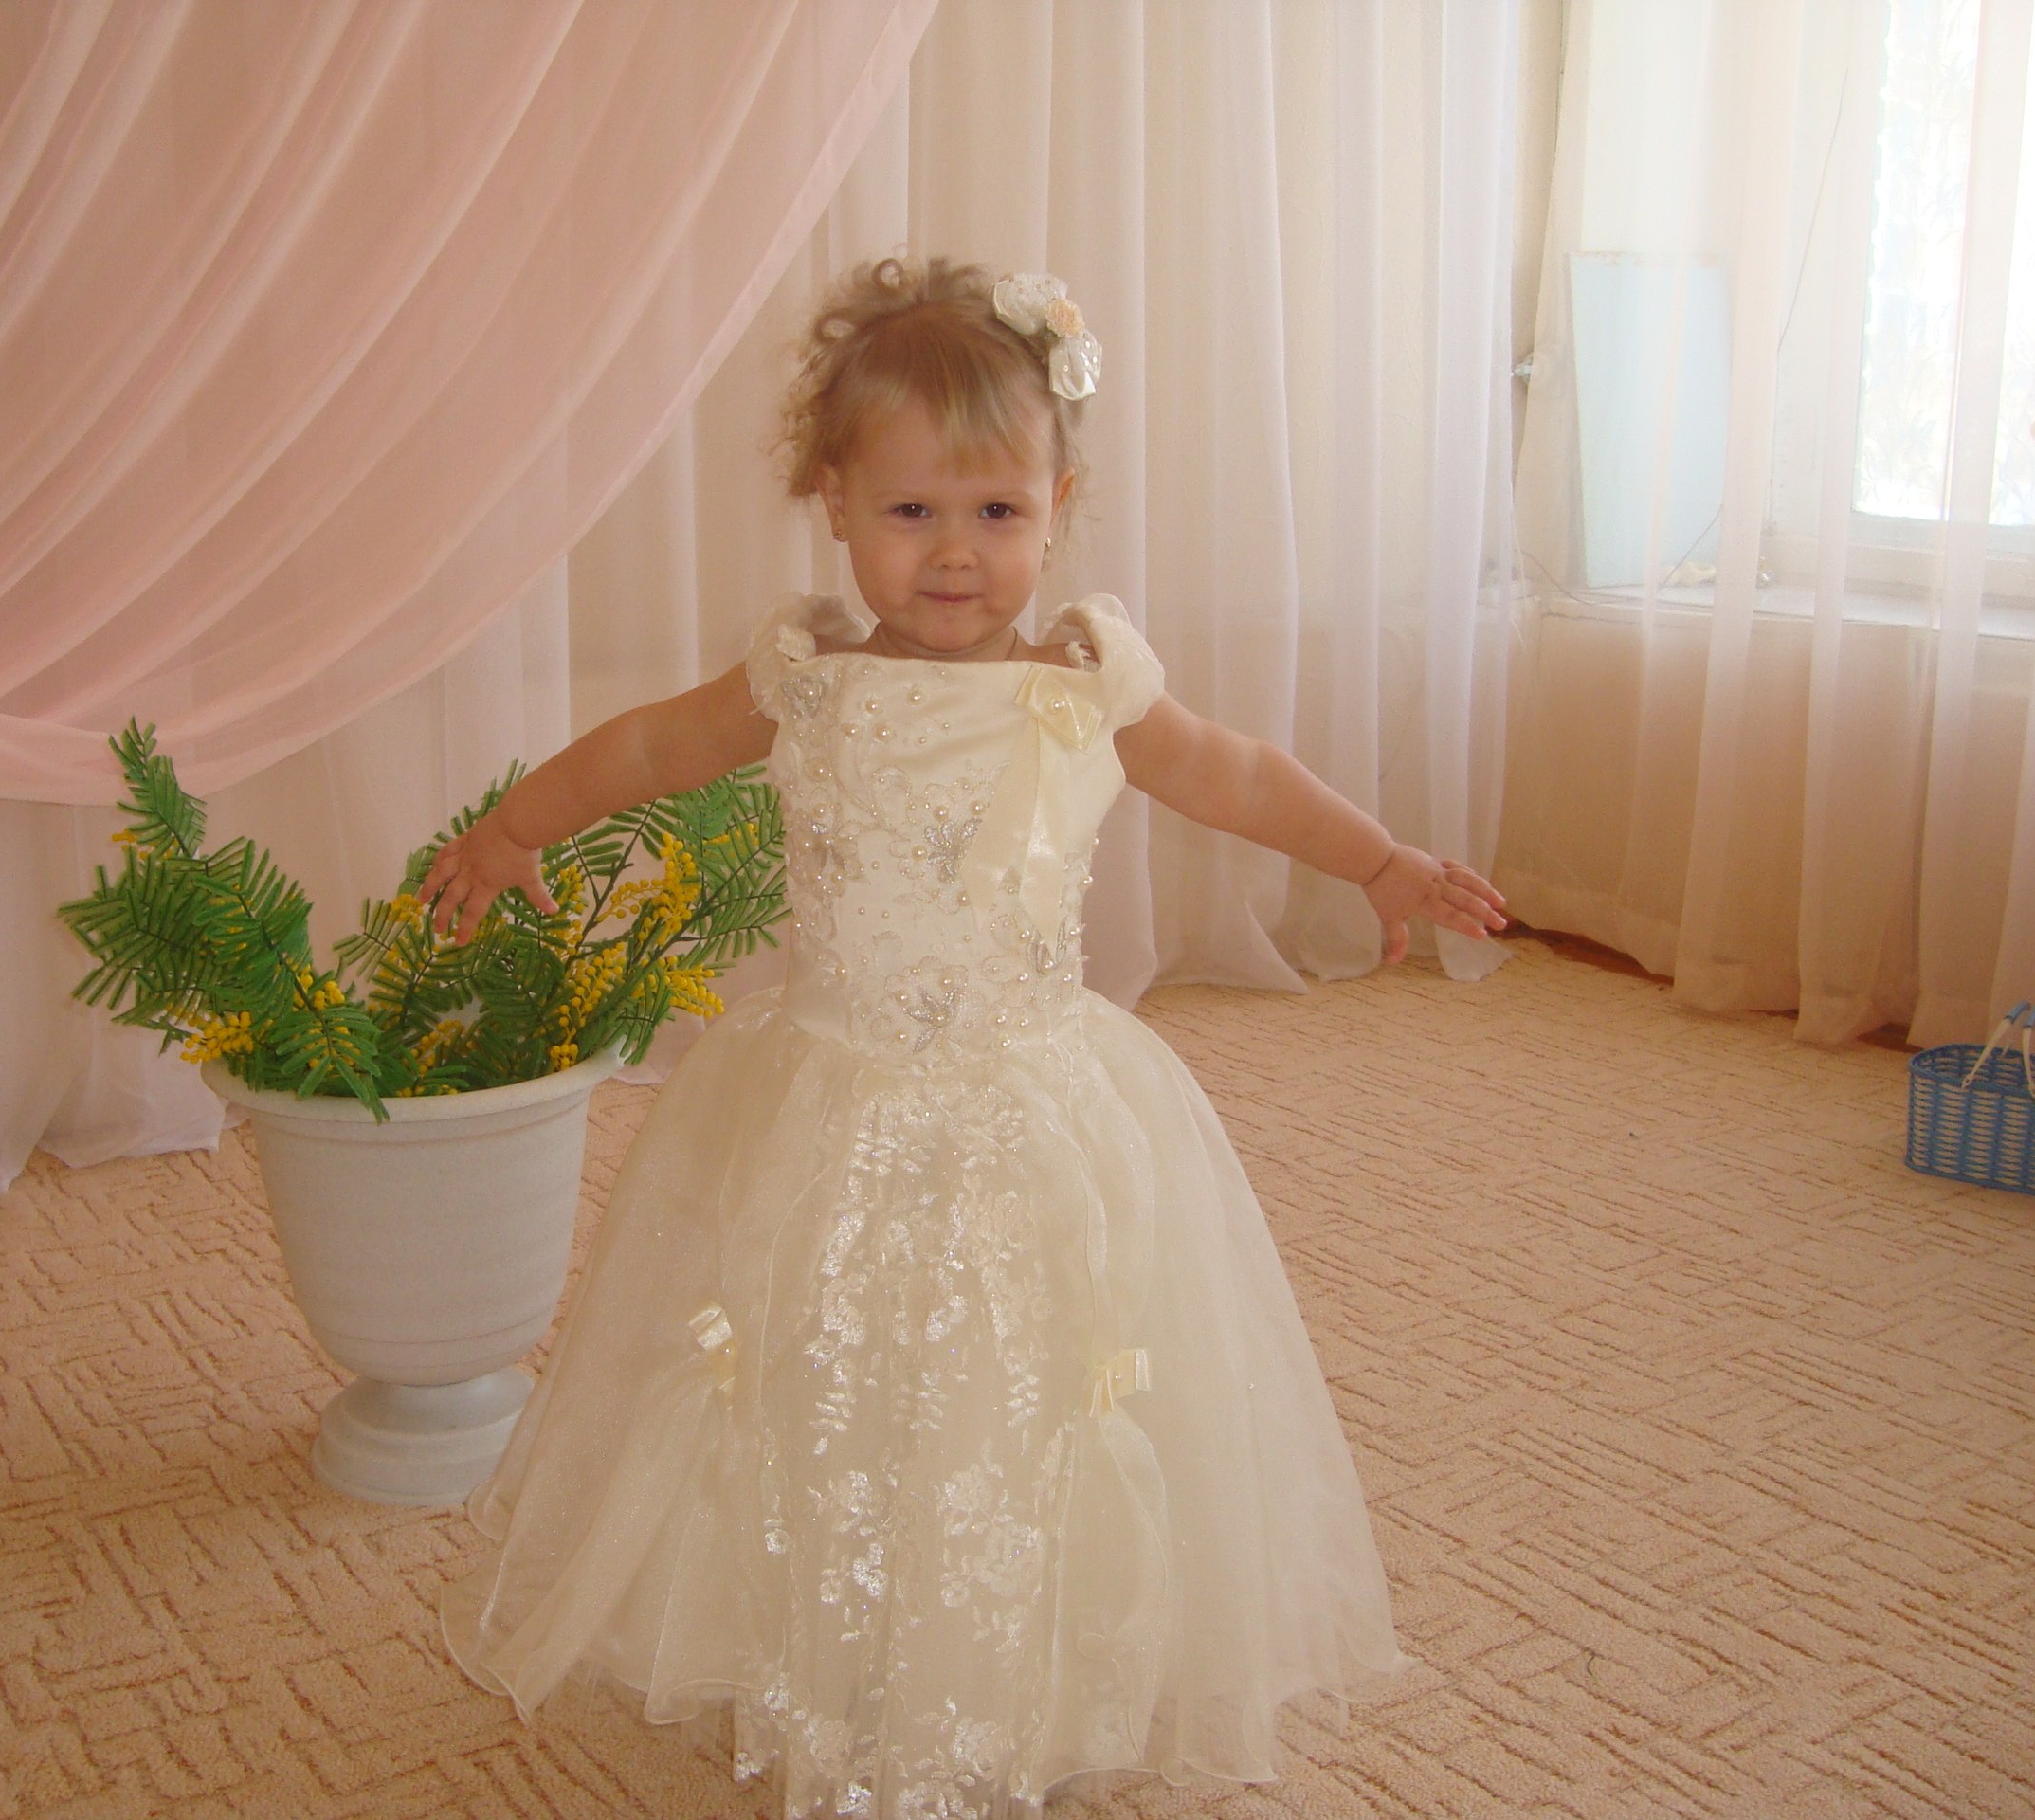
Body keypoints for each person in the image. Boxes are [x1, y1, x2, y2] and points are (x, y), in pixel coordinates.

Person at [419, 256, 1505, 1817]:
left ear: (1059, 506)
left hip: (1030, 1094)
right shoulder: (804, 680)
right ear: (835, 504)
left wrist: (1380, 860)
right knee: (822, 1356)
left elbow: (1239, 774)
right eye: (910, 510)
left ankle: (1024, 1652)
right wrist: (519, 823)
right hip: (831, 1096)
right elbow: (651, 745)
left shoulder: (1090, 685)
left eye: (997, 511)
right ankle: (831, 1622)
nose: (953, 551)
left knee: (1030, 1375)